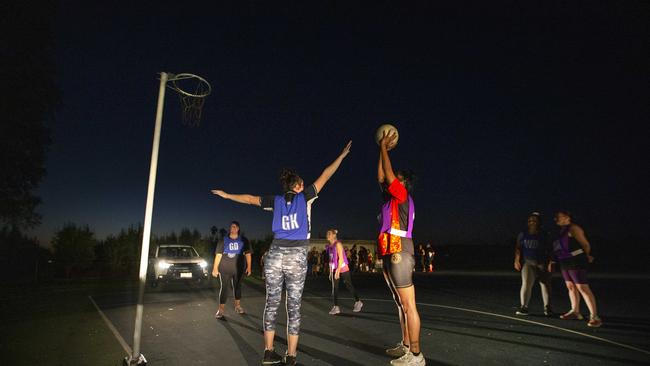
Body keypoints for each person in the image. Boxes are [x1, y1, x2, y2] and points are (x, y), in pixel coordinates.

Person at [211, 140, 352, 366]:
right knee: (293, 306)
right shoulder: (305, 197)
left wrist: (227, 195)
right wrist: (342, 156)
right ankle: (291, 355)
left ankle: (268, 352)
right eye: (302, 183)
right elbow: (326, 174)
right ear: (297, 186)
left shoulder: (274, 201)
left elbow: (248, 199)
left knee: (272, 303)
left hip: (275, 253)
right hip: (296, 254)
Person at [377, 131, 425, 365]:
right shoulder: (390, 200)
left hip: (400, 249)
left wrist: (386, 148)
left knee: (408, 304)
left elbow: (386, 173)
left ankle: (416, 355)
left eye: (395, 177)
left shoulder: (403, 195)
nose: (390, 180)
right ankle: (406, 345)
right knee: (399, 302)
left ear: (402, 182)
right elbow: (380, 176)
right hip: (388, 249)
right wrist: (380, 148)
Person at [549, 210, 602, 327]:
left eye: (559, 216)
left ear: (568, 217)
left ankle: (594, 316)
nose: (556, 219)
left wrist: (587, 256)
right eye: (556, 217)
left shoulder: (574, 228)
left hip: (575, 261)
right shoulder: (561, 231)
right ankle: (575, 311)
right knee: (570, 287)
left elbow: (585, 244)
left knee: (582, 287)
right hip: (564, 261)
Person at [513, 212, 553, 316]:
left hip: (541, 263)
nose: (532, 222)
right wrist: (516, 260)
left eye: (534, 220)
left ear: (539, 222)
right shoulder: (523, 233)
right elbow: (518, 247)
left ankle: (547, 308)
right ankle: (524, 306)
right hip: (528, 262)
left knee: (544, 285)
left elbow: (550, 249)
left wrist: (550, 262)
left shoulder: (544, 234)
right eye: (530, 220)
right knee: (526, 284)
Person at [211, 221, 252, 319]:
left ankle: (237, 306)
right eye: (231, 227)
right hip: (224, 269)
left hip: (238, 269)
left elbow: (248, 254)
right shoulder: (223, 240)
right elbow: (218, 255)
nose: (232, 229)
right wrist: (215, 268)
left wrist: (249, 267)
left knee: (237, 287)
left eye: (234, 227)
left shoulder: (244, 240)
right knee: (224, 288)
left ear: (238, 228)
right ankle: (220, 310)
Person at [326, 229, 363, 315]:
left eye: (329, 234)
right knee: (334, 288)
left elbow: (341, 258)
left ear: (334, 235)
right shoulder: (329, 246)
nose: (327, 235)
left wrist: (338, 270)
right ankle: (336, 307)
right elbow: (331, 260)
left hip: (342, 267)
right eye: (327, 233)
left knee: (349, 285)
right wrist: (331, 271)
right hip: (335, 268)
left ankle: (358, 302)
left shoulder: (338, 244)